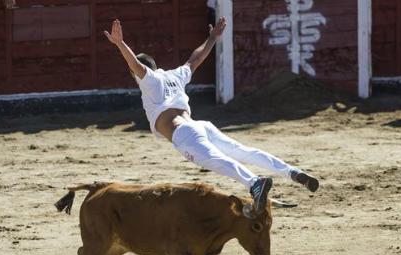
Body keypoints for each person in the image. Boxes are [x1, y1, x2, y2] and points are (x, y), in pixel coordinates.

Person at [103, 18, 319, 213]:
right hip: (200, 126)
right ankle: (292, 172)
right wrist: (212, 38)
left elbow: (136, 66)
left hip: (183, 134)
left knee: (218, 161)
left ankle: (255, 183)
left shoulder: (148, 80)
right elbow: (194, 60)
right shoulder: (173, 76)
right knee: (243, 151)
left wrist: (120, 44)